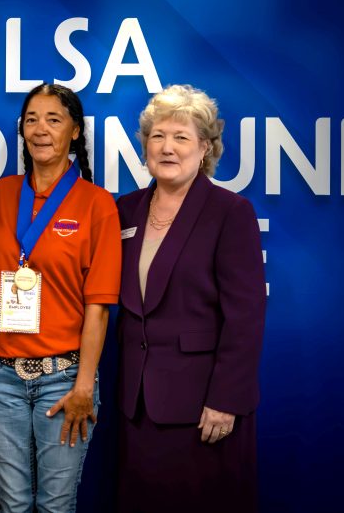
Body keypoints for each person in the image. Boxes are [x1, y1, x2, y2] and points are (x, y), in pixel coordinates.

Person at [116, 84, 266, 512]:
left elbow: (246, 317)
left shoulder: (230, 212)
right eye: (158, 136)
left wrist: (226, 400)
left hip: (204, 409)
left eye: (181, 137)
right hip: (137, 406)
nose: (167, 147)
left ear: (205, 148)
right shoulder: (125, 210)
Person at [0, 84, 122, 512]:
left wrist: (83, 386)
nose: (41, 129)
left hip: (64, 378)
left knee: (56, 506)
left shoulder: (98, 205)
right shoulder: (2, 195)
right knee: (12, 504)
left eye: (54, 120)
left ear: (75, 132)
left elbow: (98, 308)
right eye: (32, 119)